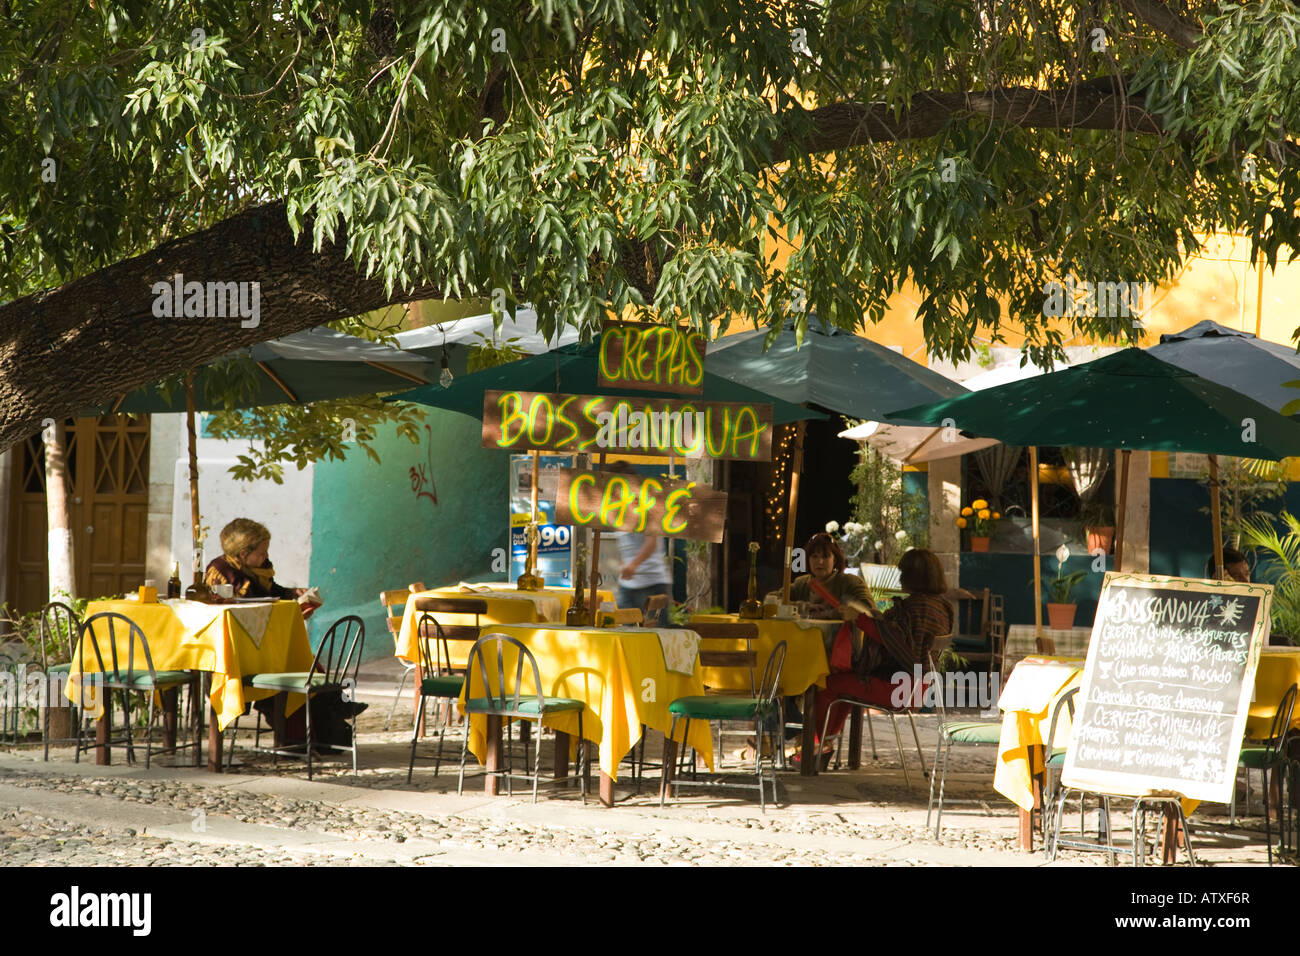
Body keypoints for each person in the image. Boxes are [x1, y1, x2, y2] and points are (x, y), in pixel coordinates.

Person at [800, 547, 954, 766]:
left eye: (903, 574)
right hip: (919, 689)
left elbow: (893, 639)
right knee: (845, 686)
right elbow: (894, 632)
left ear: (912, 577)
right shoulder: (942, 607)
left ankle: (816, 748)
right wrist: (870, 619)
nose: (900, 578)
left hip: (899, 689)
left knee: (826, 683)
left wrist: (860, 619)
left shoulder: (914, 608)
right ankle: (824, 744)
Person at [205, 518, 306, 600]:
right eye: (262, 553)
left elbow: (270, 593)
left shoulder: (261, 567)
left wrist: (292, 593)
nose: (266, 556)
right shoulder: (219, 571)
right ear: (243, 554)